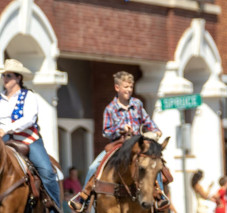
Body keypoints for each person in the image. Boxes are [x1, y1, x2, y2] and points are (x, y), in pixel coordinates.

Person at [69, 71, 166, 212]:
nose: (128, 90)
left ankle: (159, 196)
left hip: (138, 144)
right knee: (93, 166)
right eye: (125, 87)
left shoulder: (137, 104)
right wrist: (121, 129)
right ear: (117, 88)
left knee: (153, 163)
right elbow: (106, 131)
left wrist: (156, 130)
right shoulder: (110, 108)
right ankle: (83, 197)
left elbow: (147, 121)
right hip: (119, 144)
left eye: (130, 87)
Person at [0, 58, 61, 212]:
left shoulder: (29, 96)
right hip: (4, 141)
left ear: (18, 78)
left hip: (28, 140)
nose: (4, 79)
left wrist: (7, 129)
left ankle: (55, 207)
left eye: (9, 76)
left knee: (47, 171)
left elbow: (29, 119)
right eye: (4, 75)